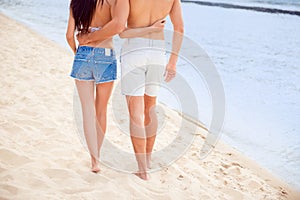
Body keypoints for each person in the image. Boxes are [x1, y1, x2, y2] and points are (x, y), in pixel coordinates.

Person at [78, 0, 184, 180]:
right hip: (157, 53)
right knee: (151, 107)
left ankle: (142, 170)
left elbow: (122, 32)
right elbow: (179, 29)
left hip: (134, 52)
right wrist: (173, 62)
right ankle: (147, 160)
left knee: (136, 114)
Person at [66, 0, 129, 173]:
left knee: (87, 111)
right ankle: (97, 159)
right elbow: (119, 25)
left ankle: (93, 158)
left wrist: (77, 53)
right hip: (106, 55)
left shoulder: (76, 2)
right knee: (100, 110)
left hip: (83, 54)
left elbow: (69, 36)